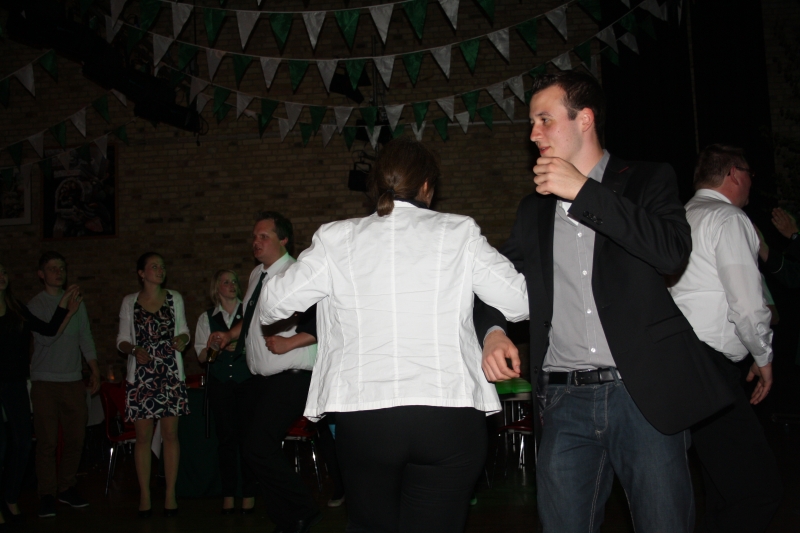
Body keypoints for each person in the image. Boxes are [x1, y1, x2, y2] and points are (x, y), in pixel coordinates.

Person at [474, 71, 733, 532]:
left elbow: (671, 252)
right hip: (563, 399)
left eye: (544, 119)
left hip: (642, 395)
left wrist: (584, 193)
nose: (533, 134)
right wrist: (493, 330)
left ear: (585, 119)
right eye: (532, 123)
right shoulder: (533, 208)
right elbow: (496, 279)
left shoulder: (647, 179)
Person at [252, 137, 530, 533]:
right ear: (427, 186)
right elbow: (519, 302)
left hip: (368, 417)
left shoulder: (337, 238)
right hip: (448, 414)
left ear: (376, 186)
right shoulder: (459, 232)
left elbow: (271, 307)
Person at [668, 144, 782, 532]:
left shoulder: (678, 217)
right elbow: (747, 304)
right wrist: (763, 358)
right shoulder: (728, 217)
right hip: (709, 367)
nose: (751, 182)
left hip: (681, 361)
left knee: (722, 487)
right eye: (749, 173)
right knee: (758, 490)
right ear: (734, 173)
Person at [208, 212, 319, 533]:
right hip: (261, 379)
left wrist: (290, 342)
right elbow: (253, 316)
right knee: (253, 450)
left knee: (258, 446)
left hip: (292, 376)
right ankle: (287, 518)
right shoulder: (258, 274)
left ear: (283, 239)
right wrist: (230, 334)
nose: (255, 242)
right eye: (254, 237)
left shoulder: (297, 273)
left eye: (264, 236)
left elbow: (324, 321)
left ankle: (304, 508)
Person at [0, 262, 81, 525]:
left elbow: (47, 329)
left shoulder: (16, 307)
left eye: (3, 272)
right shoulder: (27, 304)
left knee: (23, 443)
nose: (2, 276)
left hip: (15, 384)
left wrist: (66, 309)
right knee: (1, 445)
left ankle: (10, 497)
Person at [116, 252, 190, 517]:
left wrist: (182, 340)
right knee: (143, 438)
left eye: (162, 266)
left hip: (170, 373)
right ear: (141, 273)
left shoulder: (174, 298)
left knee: (170, 436)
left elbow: (184, 331)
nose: (160, 270)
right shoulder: (130, 302)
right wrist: (134, 349)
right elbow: (121, 340)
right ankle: (145, 495)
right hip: (142, 376)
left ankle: (170, 494)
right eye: (154, 266)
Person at [28, 251, 100, 518]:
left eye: (61, 268)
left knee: (75, 439)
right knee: (47, 442)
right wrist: (67, 312)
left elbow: (85, 337)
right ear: (41, 274)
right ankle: (47, 494)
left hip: (72, 381)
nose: (58, 272)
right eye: (52, 268)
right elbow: (46, 338)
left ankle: (66, 487)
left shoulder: (77, 302)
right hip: (45, 381)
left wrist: (94, 369)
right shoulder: (35, 304)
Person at [193, 269, 258, 515]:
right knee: (226, 440)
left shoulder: (249, 312)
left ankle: (249, 493)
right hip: (220, 384)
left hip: (247, 382)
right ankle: (228, 493)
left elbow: (260, 346)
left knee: (248, 439)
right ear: (216, 288)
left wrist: (241, 347)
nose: (232, 285)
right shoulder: (206, 318)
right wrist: (215, 347)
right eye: (226, 282)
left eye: (234, 281)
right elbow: (203, 358)